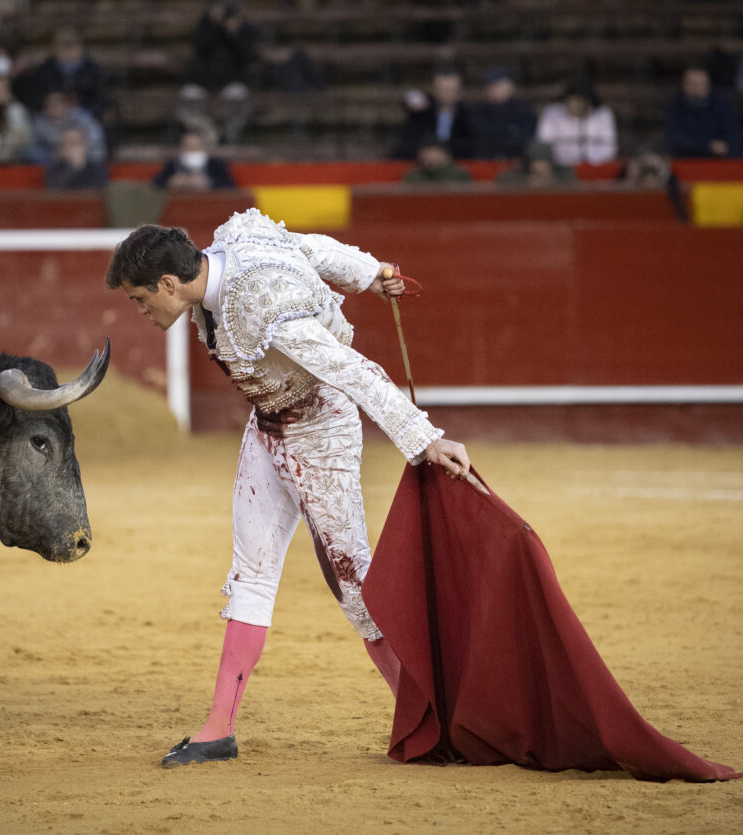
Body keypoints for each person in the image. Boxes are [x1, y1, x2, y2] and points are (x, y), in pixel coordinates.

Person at [104, 210, 471, 767]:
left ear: (169, 284)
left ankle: (432, 724)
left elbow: (350, 369)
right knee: (250, 573)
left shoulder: (264, 308)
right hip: (267, 424)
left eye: (139, 299)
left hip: (322, 430)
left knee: (355, 588)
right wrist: (370, 273)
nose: (141, 310)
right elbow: (309, 248)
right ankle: (218, 729)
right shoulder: (236, 240)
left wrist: (425, 439)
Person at [180, 1, 259, 143]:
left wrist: (234, 33)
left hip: (230, 81)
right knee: (188, 95)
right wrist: (212, 22)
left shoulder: (244, 28)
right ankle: (209, 133)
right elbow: (200, 47)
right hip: (203, 81)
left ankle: (228, 135)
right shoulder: (205, 24)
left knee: (239, 95)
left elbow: (248, 58)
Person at [13, 27, 108, 120]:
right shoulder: (44, 70)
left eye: (72, 43)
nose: (68, 48)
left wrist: (78, 105)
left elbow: (100, 101)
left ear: (81, 46)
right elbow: (36, 99)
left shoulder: (93, 70)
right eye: (63, 44)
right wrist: (52, 104)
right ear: (53, 47)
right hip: (50, 119)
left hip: (83, 118)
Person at [391, 66, 474, 159]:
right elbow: (408, 143)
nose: (447, 93)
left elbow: (471, 145)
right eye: (443, 89)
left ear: (459, 92)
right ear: (435, 90)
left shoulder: (468, 116)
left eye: (452, 90)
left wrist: (444, 153)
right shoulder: (422, 113)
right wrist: (426, 153)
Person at [664, 65, 743, 158]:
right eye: (691, 83)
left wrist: (723, 147)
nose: (696, 88)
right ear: (683, 85)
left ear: (708, 85)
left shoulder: (721, 106)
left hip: (718, 160)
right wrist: (708, 146)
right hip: (686, 160)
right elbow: (675, 139)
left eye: (700, 84)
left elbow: (733, 135)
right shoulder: (675, 107)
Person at [535, 78, 617, 165]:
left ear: (589, 103)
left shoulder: (602, 114)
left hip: (594, 167)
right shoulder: (552, 113)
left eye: (581, 101)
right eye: (573, 101)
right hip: (558, 167)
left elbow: (610, 149)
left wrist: (588, 162)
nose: (576, 105)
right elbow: (544, 145)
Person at [468, 66, 536, 160]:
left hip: (516, 159)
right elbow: (479, 136)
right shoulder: (478, 111)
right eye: (491, 86)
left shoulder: (523, 110)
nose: (495, 90)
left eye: (499, 85)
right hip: (486, 160)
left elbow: (526, 137)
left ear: (510, 86)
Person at [26, 90, 107, 166]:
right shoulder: (39, 121)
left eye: (57, 103)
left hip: (84, 159)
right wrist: (56, 153)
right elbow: (31, 148)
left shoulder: (81, 118)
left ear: (66, 104)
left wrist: (79, 152)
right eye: (49, 104)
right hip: (52, 160)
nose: (53, 107)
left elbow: (97, 143)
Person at [152, 130, 236, 191]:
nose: (192, 150)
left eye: (195, 147)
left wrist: (208, 183)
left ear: (204, 147)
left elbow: (229, 185)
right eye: (188, 147)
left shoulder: (216, 164)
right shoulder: (173, 164)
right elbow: (156, 184)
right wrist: (171, 182)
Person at [493, 139, 577, 187]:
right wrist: (528, 181)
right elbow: (501, 178)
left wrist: (550, 180)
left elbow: (571, 177)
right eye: (534, 162)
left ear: (550, 163)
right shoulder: (522, 173)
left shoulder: (565, 174)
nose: (536, 165)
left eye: (541, 162)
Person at [403, 136, 471, 184]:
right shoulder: (413, 176)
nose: (431, 157)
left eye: (435, 152)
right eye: (427, 153)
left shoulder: (459, 175)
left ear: (446, 155)